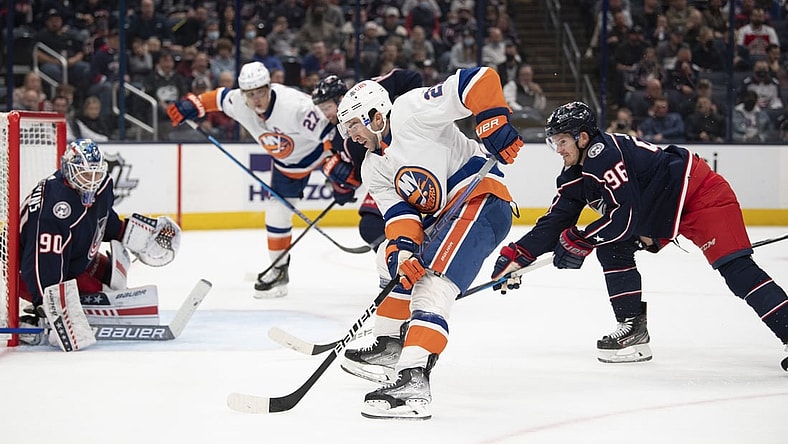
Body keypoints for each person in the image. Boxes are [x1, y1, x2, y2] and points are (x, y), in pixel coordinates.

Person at [489, 101, 788, 367]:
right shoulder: (574, 174)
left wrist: (583, 239)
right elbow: (555, 220)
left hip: (701, 196)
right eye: (554, 142)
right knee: (612, 248)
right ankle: (633, 328)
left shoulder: (604, 155)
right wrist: (519, 254)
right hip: (664, 208)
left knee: (738, 271)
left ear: (582, 137)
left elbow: (624, 215)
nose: (558, 149)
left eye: (563, 141)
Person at [335, 66, 524, 419]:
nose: (351, 136)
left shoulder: (411, 110)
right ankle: (391, 344)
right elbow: (400, 217)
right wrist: (402, 251)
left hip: (481, 199)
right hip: (446, 216)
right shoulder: (372, 168)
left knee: (432, 285)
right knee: (385, 260)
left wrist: (492, 120)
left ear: (375, 115)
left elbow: (477, 79)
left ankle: (413, 381)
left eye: (354, 126)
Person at [167, 61, 335, 298]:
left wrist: (337, 164)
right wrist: (192, 104)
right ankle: (278, 271)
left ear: (270, 87)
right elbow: (218, 98)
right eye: (250, 94)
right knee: (276, 213)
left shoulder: (296, 106)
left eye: (261, 92)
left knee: (360, 192)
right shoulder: (238, 101)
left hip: (322, 154)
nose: (256, 99)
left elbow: (333, 135)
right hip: (288, 166)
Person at [18, 139, 181, 351]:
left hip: (73, 258)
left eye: (96, 173)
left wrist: (125, 232)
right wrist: (50, 306)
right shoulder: (55, 207)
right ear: (69, 170)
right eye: (85, 174)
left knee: (114, 279)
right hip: (24, 273)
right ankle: (34, 315)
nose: (91, 181)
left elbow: (100, 219)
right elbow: (41, 263)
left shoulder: (102, 186)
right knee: (102, 294)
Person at [311, 69, 423, 251]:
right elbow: (357, 174)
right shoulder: (339, 138)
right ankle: (399, 261)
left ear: (340, 99)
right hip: (388, 175)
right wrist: (342, 188)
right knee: (370, 226)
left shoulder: (368, 93)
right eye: (321, 109)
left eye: (327, 107)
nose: (326, 114)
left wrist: (405, 116)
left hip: (418, 157)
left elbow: (412, 77)